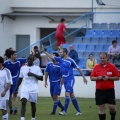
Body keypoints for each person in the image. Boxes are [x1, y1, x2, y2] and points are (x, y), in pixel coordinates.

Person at [42, 45, 87, 115]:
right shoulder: (60, 59)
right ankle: (79, 111)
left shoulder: (71, 61)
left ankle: (64, 111)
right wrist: (44, 52)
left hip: (70, 79)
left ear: (65, 53)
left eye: (61, 52)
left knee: (67, 94)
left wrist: (84, 77)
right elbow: (51, 57)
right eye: (59, 52)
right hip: (65, 80)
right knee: (72, 95)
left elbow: (78, 68)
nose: (60, 54)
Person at [90, 52, 119, 120]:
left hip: (110, 90)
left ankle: (113, 117)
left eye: (103, 58)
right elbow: (91, 78)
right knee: (101, 107)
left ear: (107, 58)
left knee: (112, 108)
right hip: (99, 90)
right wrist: (98, 78)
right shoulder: (96, 67)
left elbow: (117, 77)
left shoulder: (112, 66)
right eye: (101, 58)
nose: (102, 59)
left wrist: (108, 78)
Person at [15, 55, 43, 120]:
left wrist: (33, 74)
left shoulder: (37, 68)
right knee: (23, 102)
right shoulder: (23, 68)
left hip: (34, 88)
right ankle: (22, 118)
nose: (29, 60)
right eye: (28, 59)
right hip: (25, 88)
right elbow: (20, 79)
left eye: (31, 59)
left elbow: (41, 78)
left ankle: (33, 117)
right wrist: (16, 87)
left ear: (33, 60)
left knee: (33, 104)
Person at [4, 50, 27, 115]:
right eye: (14, 55)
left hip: (16, 81)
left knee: (15, 95)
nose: (16, 56)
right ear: (11, 56)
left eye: (16, 55)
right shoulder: (6, 63)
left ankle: (15, 109)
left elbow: (28, 59)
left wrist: (32, 53)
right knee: (8, 96)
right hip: (8, 81)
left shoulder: (19, 61)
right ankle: (10, 108)